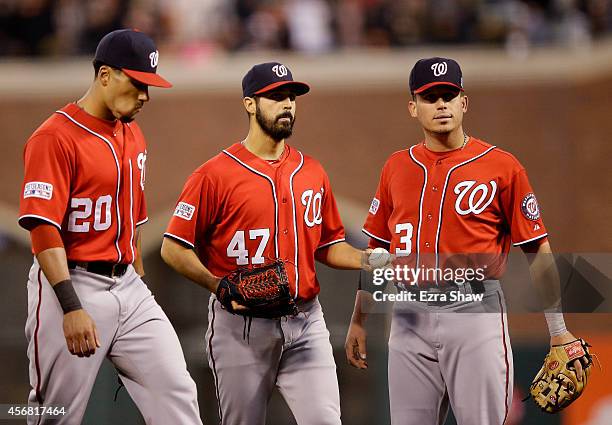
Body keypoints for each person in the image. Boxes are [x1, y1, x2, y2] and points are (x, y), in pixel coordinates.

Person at [344, 57, 588, 425]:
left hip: (473, 310)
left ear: (464, 102)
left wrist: (558, 329)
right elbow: (376, 253)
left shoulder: (502, 166)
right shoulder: (395, 167)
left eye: (449, 95)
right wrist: (359, 319)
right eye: (430, 97)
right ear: (414, 107)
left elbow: (538, 251)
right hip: (409, 315)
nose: (441, 104)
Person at [161, 62, 370, 425]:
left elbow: (327, 245)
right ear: (249, 104)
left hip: (306, 321)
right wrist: (217, 285)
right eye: (275, 96)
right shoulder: (214, 174)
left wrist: (370, 259)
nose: (287, 104)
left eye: (291, 96)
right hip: (241, 326)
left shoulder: (312, 171)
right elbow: (172, 248)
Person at [18, 29, 203, 425]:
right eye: (137, 83)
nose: (145, 96)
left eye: (149, 86)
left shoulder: (132, 132)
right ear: (105, 75)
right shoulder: (54, 137)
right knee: (56, 414)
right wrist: (71, 307)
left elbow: (134, 215)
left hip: (128, 288)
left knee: (177, 392)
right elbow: (43, 227)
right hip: (70, 285)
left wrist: (136, 272)